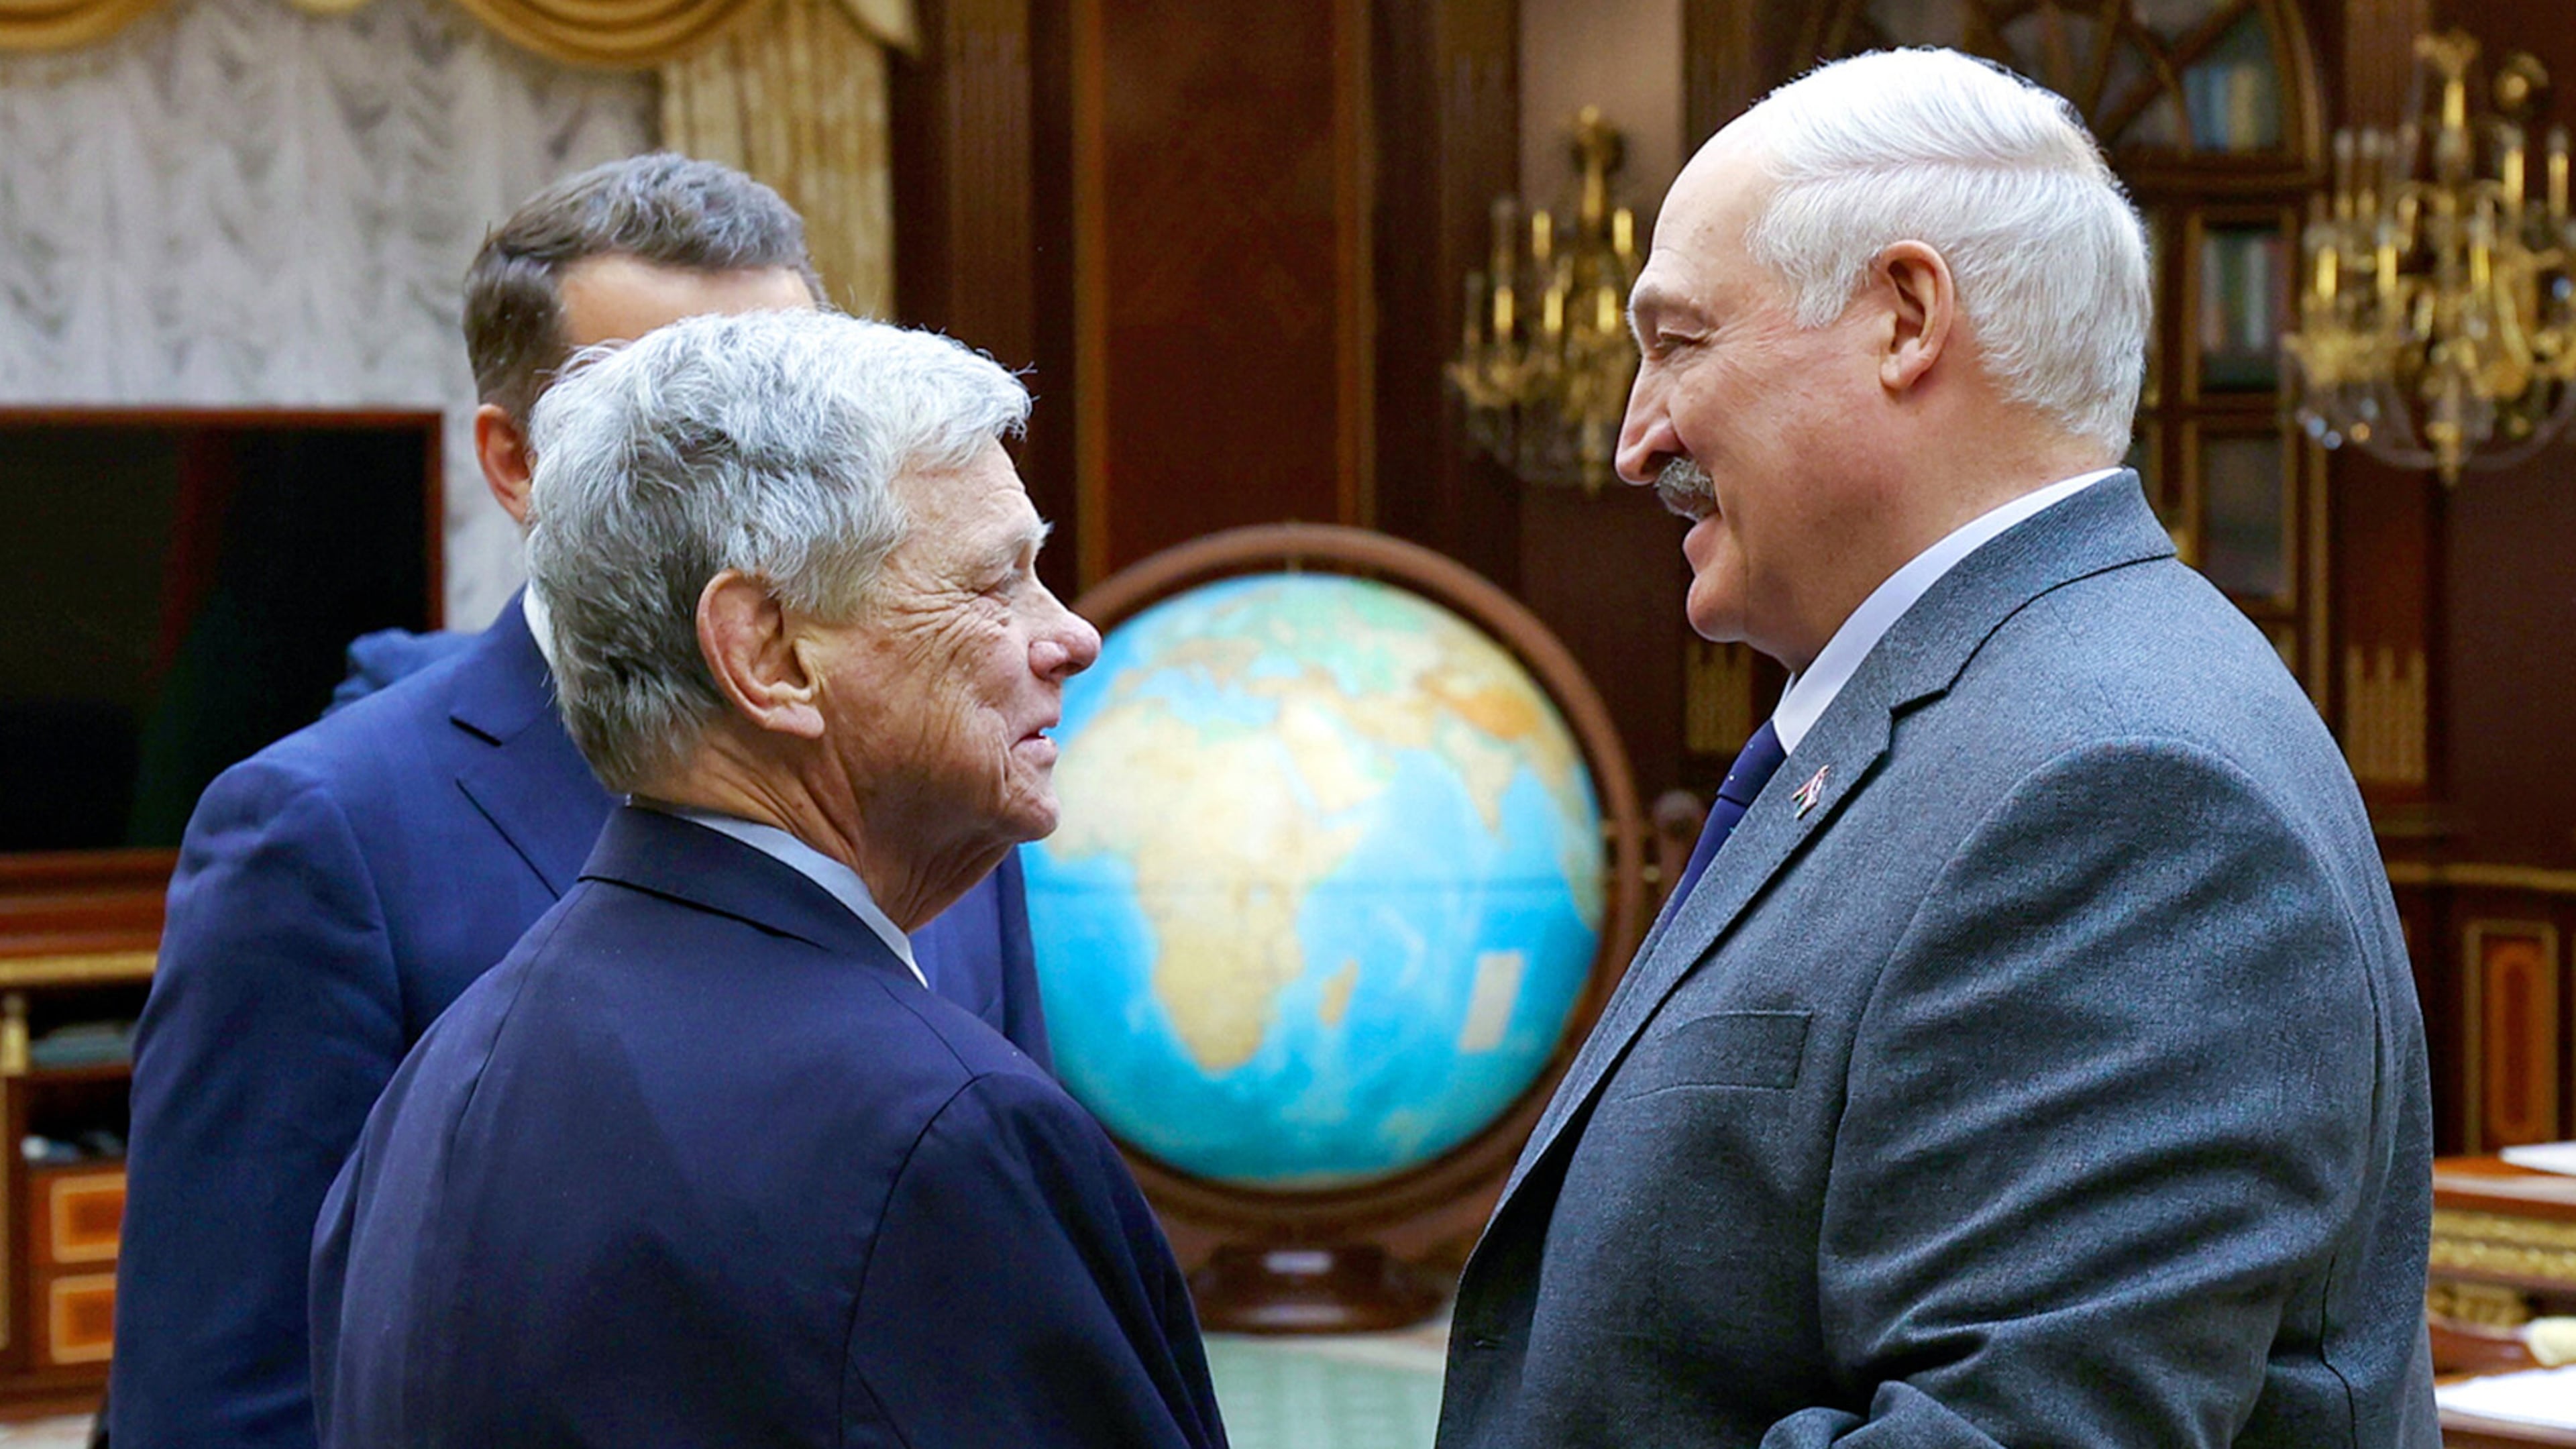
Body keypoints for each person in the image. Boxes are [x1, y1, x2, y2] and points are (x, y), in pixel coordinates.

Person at [1436, 49, 2436, 1448]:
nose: (1632, 438)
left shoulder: (2124, 794)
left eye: (1679, 343)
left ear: (1906, 318)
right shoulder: (1980, 722)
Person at [112, 156, 1054, 1448]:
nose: (763, 458)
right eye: (676, 419)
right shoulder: (319, 828)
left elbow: (1017, 1248)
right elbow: (224, 1391)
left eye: (788, 390)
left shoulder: (931, 772)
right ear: (514, 462)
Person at [309, 309, 1226, 1447]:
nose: (1073, 634)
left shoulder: (444, 1072)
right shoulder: (943, 1131)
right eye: (998, 584)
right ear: (769, 654)